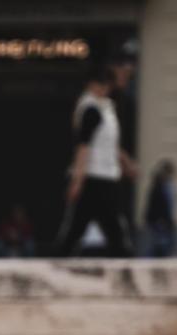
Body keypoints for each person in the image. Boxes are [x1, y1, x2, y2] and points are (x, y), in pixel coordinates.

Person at [56, 57, 137, 257]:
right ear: (93, 85)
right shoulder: (90, 109)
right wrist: (77, 180)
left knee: (82, 229)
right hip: (94, 178)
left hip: (105, 177)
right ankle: (126, 263)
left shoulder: (106, 107)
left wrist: (127, 163)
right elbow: (84, 147)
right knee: (111, 229)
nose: (106, 89)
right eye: (103, 85)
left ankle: (59, 260)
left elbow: (110, 144)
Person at [144, 160, 176, 257]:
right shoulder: (159, 187)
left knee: (165, 245)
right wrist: (162, 220)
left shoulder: (167, 186)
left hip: (164, 221)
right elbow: (159, 206)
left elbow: (170, 206)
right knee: (159, 245)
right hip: (160, 221)